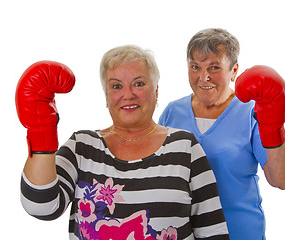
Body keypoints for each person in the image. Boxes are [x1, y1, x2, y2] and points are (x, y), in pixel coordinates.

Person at [16, 45, 230, 240]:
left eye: (139, 83)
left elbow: (213, 231)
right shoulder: (81, 146)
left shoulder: (185, 146)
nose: (128, 94)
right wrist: (41, 130)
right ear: (107, 97)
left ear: (156, 91)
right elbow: (41, 207)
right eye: (117, 86)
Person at [159, 28, 285, 240]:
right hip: (183, 233)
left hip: (238, 232)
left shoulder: (251, 112)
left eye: (214, 67)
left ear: (234, 71)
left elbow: (283, 180)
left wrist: (273, 126)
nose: (203, 77)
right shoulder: (172, 112)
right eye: (195, 67)